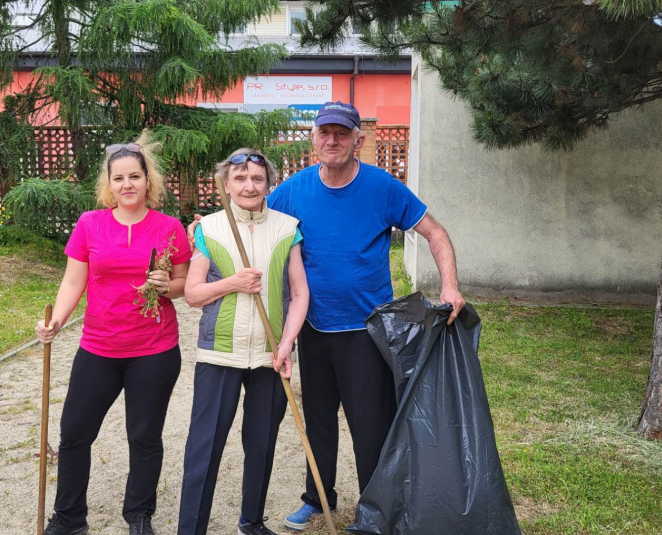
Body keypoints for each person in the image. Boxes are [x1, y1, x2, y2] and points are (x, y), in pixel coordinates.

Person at [188, 102, 465, 531]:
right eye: (325, 132)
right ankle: (318, 498)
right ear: (314, 138)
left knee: (369, 425)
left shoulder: (382, 187)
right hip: (313, 329)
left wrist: (450, 286)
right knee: (316, 421)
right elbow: (252, 213)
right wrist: (201, 229)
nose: (332, 140)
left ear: (358, 139)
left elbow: (435, 232)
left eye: (342, 133)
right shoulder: (294, 190)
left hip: (366, 331)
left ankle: (375, 507)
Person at [36, 131, 191, 535]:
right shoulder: (90, 224)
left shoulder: (169, 227)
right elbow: (74, 282)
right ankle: (69, 518)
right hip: (99, 347)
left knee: (144, 436)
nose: (127, 185)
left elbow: (183, 284)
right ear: (109, 184)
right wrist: (55, 321)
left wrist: (165, 286)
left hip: (154, 349)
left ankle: (139, 514)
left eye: (135, 177)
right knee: (74, 433)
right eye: (119, 178)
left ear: (148, 181)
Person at [177, 149, 310, 535]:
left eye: (257, 178)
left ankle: (251, 522)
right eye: (240, 178)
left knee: (262, 442)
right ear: (226, 184)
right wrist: (232, 283)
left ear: (268, 182)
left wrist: (286, 344)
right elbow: (193, 293)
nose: (249, 186)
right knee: (204, 447)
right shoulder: (210, 228)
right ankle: (191, 529)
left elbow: (299, 294)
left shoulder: (288, 227)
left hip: (271, 355)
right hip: (219, 353)